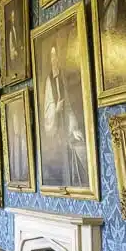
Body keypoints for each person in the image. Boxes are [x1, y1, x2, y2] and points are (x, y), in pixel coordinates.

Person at [42, 44, 86, 186]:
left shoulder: (62, 79)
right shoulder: (49, 81)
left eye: (56, 55)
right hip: (56, 133)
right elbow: (47, 109)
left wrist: (74, 129)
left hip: (66, 129)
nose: (54, 59)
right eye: (52, 56)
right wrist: (55, 109)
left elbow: (68, 108)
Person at [7, 102, 28, 184]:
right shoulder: (14, 116)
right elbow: (16, 130)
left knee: (22, 156)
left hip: (20, 138)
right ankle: (18, 175)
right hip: (16, 139)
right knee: (16, 157)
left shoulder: (20, 117)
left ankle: (22, 174)